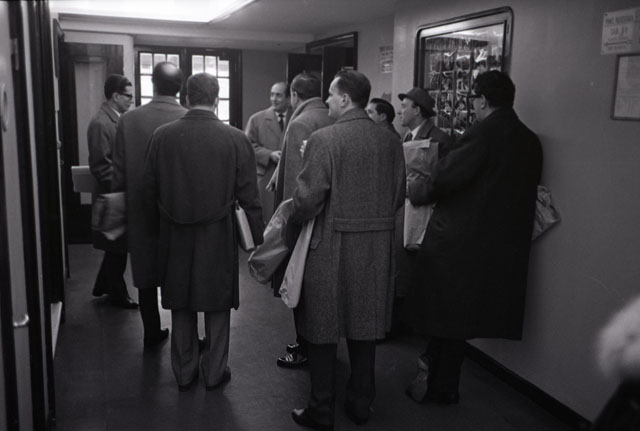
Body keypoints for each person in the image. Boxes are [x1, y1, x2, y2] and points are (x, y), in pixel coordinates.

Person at [403, 70, 542, 404]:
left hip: (460, 242)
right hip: (502, 245)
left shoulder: (482, 134)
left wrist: (416, 191)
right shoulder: (529, 140)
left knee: (446, 315)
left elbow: (445, 178)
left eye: (474, 100)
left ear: (482, 100)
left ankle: (440, 386)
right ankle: (440, 380)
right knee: (463, 317)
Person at [289, 70, 405, 429]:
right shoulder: (390, 141)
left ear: (344, 98)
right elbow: (398, 195)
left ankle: (321, 409)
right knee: (364, 329)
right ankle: (360, 404)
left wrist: (293, 219)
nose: (326, 100)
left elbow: (307, 200)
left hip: (330, 244)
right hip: (376, 247)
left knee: (322, 330)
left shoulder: (324, 139)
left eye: (330, 93)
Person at [142, 73, 263, 391]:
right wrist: (258, 242)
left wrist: (154, 233)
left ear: (185, 98)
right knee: (217, 302)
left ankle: (184, 371)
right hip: (217, 233)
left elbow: (148, 191)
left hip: (174, 232)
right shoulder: (235, 138)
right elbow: (250, 197)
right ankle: (214, 371)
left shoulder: (162, 136)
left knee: (180, 302)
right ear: (216, 99)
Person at [111, 62, 187, 347]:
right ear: (180, 87)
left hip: (140, 209)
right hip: (179, 212)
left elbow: (118, 172)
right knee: (180, 272)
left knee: (145, 276)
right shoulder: (188, 118)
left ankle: (152, 332)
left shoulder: (129, 120)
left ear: (152, 83)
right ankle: (186, 337)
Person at [270, 72, 333, 370]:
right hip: (330, 217)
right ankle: (315, 344)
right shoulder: (333, 116)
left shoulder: (301, 123)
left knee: (299, 284)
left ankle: (304, 345)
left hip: (306, 218)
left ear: (294, 95)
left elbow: (296, 184)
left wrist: (288, 223)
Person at [87, 74, 137, 309]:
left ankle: (104, 286)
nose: (131, 100)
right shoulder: (101, 123)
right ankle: (118, 294)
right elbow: (101, 166)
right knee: (117, 247)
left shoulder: (114, 119)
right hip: (113, 194)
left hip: (116, 192)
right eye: (128, 96)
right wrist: (122, 188)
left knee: (115, 246)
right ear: (115, 96)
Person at [245, 81, 291, 223]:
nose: (273, 99)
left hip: (288, 177)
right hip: (266, 176)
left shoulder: (296, 118)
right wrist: (269, 154)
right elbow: (247, 146)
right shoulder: (256, 119)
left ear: (289, 98)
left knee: (286, 219)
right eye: (272, 95)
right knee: (267, 219)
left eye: (278, 95)